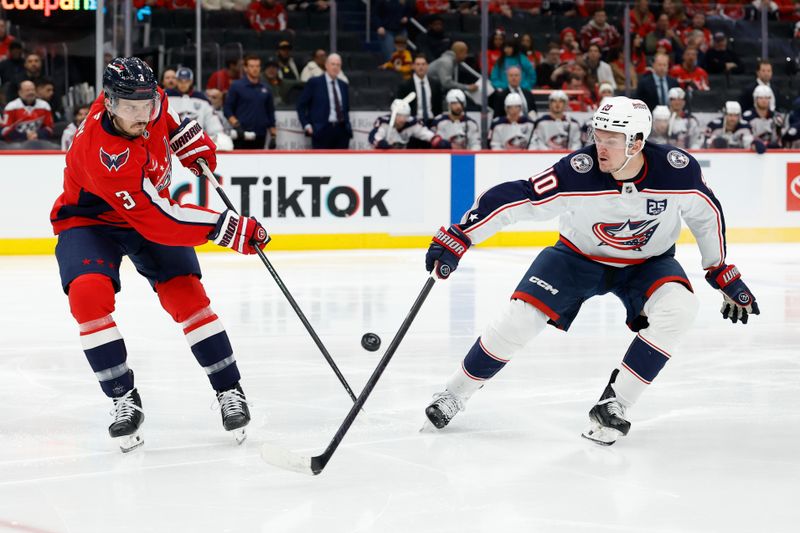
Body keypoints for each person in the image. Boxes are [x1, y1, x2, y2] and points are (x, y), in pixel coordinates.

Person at [421, 96, 759, 447]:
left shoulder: (677, 170)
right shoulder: (577, 170)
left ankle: (616, 402)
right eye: (597, 135)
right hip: (576, 258)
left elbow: (707, 215)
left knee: (682, 308)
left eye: (611, 139)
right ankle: (454, 394)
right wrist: (463, 233)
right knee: (519, 319)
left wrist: (719, 269)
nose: (600, 146)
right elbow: (520, 197)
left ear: (637, 142)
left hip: (647, 263)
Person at [50, 57, 269, 452]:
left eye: (147, 105)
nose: (142, 115)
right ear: (109, 103)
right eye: (130, 108)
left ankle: (228, 390)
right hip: (91, 220)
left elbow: (166, 117)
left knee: (188, 297)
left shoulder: (152, 100)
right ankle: (122, 397)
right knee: (87, 296)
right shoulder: (103, 154)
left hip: (148, 212)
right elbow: (159, 219)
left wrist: (184, 136)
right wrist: (227, 228)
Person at [166, 67, 231, 149]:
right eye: (180, 81)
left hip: (198, 145)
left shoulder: (202, 100)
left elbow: (213, 125)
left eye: (186, 81)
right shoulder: (166, 98)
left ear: (191, 81)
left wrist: (218, 136)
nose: (183, 84)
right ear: (176, 81)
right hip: (172, 145)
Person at [296, 53, 352, 149]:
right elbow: (301, 105)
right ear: (326, 65)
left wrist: (347, 127)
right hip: (321, 130)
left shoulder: (343, 85)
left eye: (338, 65)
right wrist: (306, 125)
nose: (335, 67)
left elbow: (345, 108)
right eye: (332, 64)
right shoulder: (314, 83)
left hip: (341, 131)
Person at [224, 55, 277, 149]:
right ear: (245, 68)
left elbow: (270, 112)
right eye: (252, 66)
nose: (255, 69)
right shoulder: (237, 86)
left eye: (257, 66)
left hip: (260, 134)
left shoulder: (266, 88)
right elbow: (227, 109)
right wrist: (236, 125)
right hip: (242, 133)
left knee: (259, 162)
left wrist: (273, 136)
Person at [368, 98, 450, 149]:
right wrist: (381, 143)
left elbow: (425, 133)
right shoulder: (383, 123)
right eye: (399, 115)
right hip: (383, 157)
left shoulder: (412, 123)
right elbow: (374, 137)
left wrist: (437, 140)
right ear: (392, 113)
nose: (402, 119)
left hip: (403, 158)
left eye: (405, 116)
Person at [396, 53, 443, 127]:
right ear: (413, 66)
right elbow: (401, 105)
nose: (421, 67)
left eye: (423, 64)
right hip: (413, 123)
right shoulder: (405, 85)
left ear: (427, 66)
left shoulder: (435, 83)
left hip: (432, 122)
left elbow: (438, 106)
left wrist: (437, 122)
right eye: (418, 64)